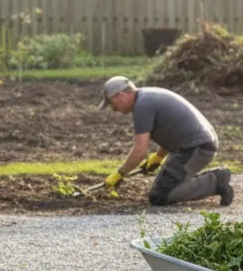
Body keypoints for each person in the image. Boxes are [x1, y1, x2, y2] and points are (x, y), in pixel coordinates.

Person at [98, 76, 233, 206]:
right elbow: (173, 129)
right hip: (195, 146)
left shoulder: (142, 106)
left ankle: (215, 181)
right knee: (167, 185)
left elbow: (140, 150)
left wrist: (119, 174)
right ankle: (213, 178)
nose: (114, 109)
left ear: (120, 95)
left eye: (111, 103)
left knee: (160, 195)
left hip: (196, 149)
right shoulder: (147, 97)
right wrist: (158, 156)